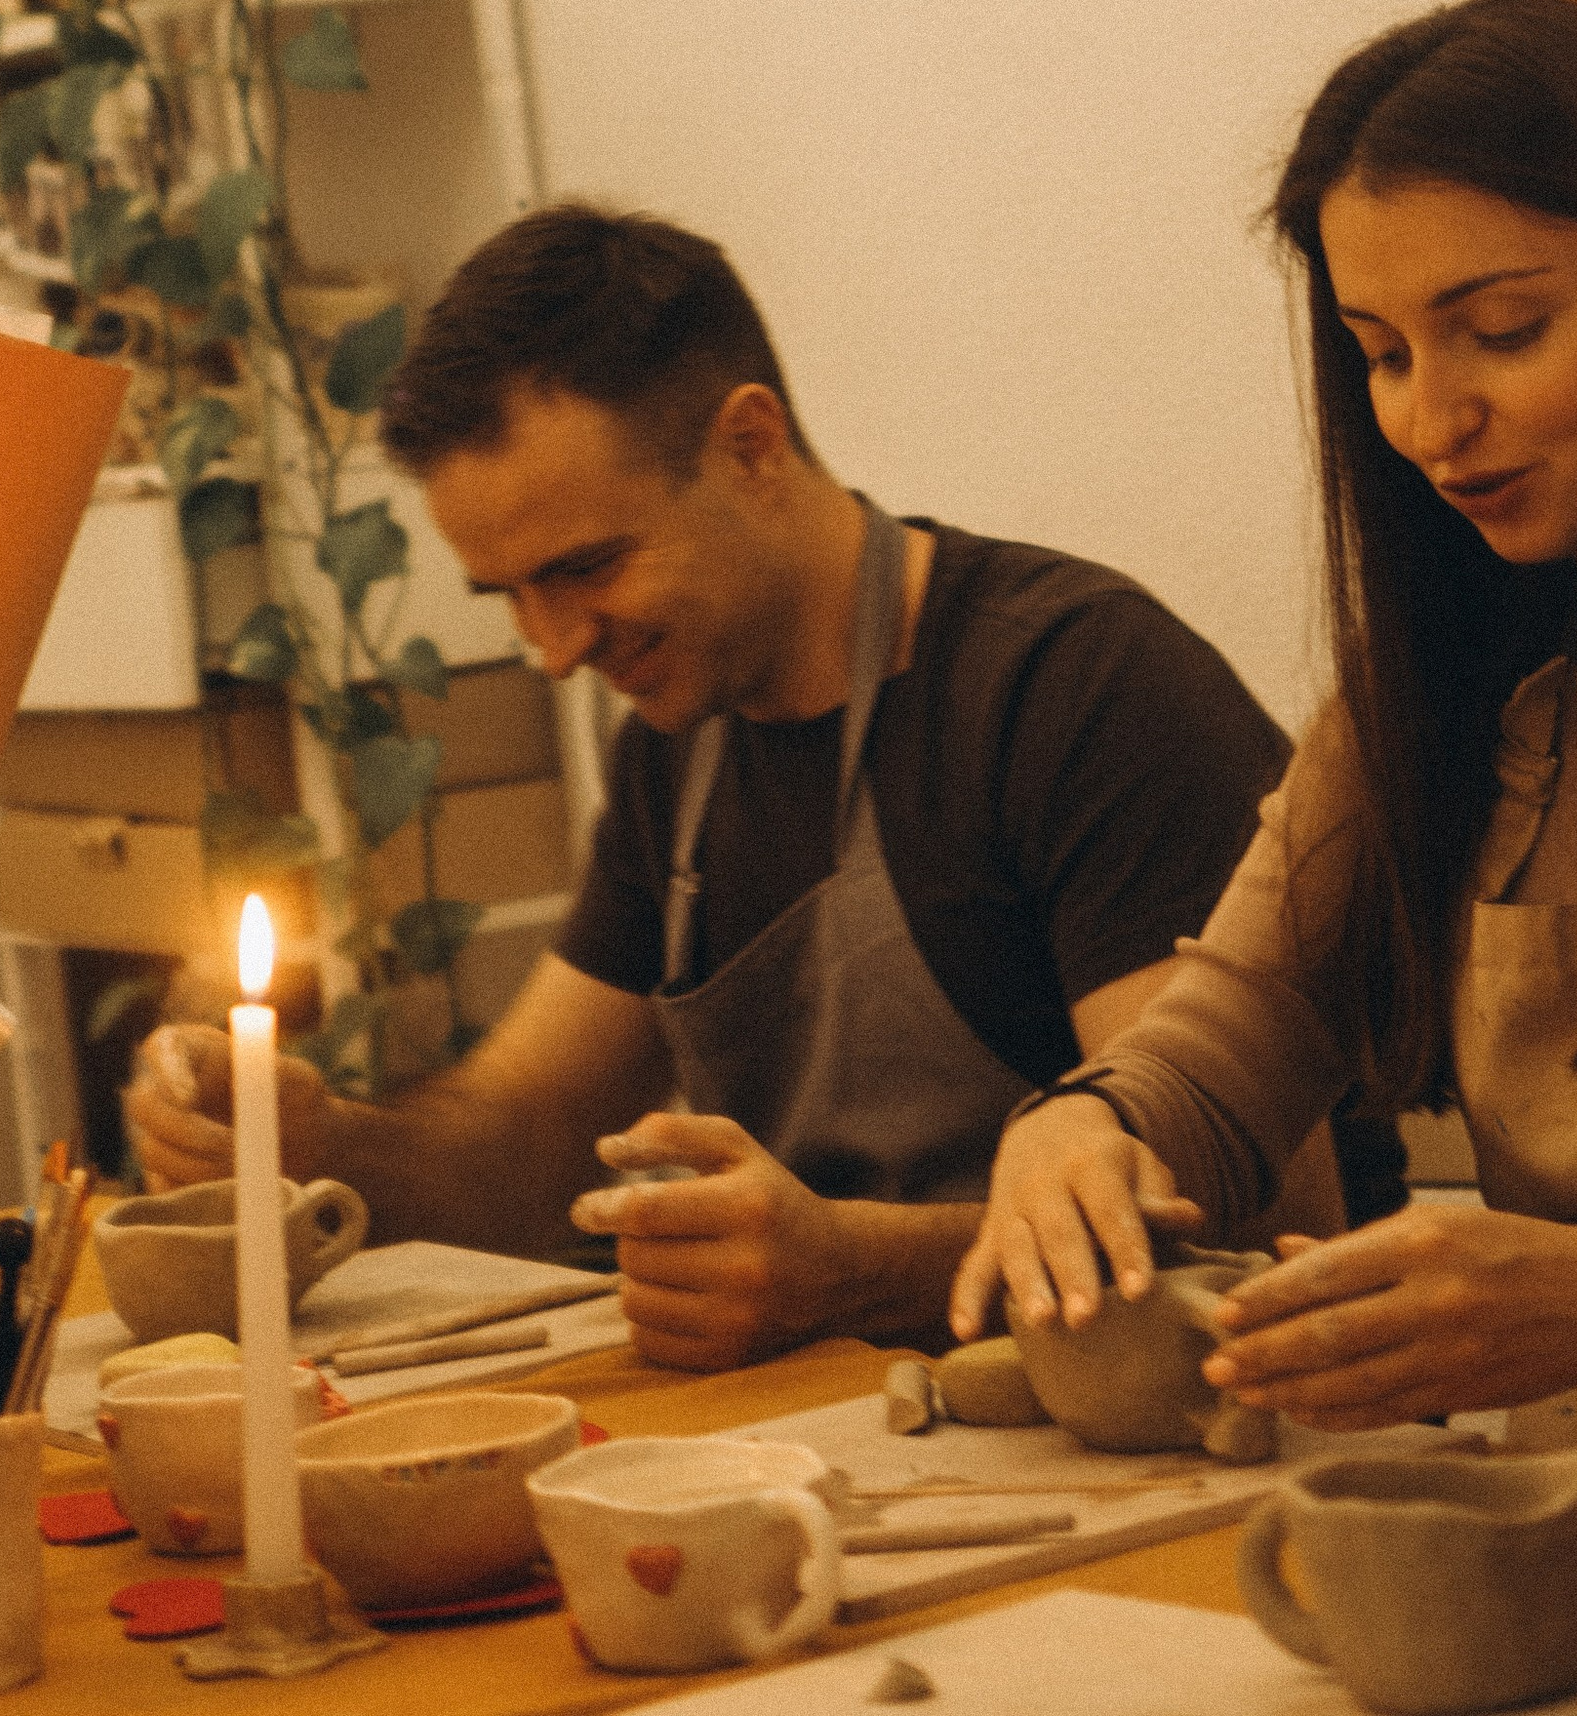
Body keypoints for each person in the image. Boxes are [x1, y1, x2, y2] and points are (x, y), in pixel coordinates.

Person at [130, 203, 1349, 1372]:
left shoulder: (1075, 689)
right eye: (509, 596)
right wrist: (329, 1146)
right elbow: (530, 1133)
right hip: (834, 1433)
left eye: (585, 568)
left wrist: (853, 1269)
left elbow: (1231, 1215)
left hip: (1170, 1447)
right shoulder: (682, 730)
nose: (554, 648)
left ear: (751, 447)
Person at [952, 0, 1577, 1445]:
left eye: (1503, 330)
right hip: (1576, 1526)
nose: (1428, 422)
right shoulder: (1450, 681)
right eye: (1384, 352)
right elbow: (1236, 1026)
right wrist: (1084, 1128)